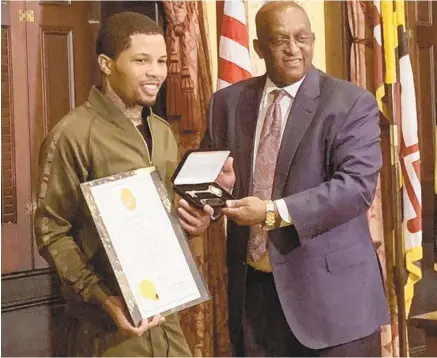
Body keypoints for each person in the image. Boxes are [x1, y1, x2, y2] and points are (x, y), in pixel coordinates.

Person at [202, 1, 390, 356]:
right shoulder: (226, 104)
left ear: (313, 40)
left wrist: (272, 212)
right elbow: (212, 177)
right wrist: (203, 205)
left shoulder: (350, 103)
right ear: (258, 47)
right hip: (256, 300)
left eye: (302, 38)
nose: (293, 49)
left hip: (334, 306)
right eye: (279, 40)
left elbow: (356, 187)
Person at [34, 12, 213, 357]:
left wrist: (195, 223)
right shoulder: (72, 135)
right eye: (141, 60)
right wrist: (103, 298)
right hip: (108, 328)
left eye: (161, 61)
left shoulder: (162, 132)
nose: (156, 72)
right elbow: (51, 231)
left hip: (166, 320)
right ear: (106, 63)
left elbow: (158, 224)